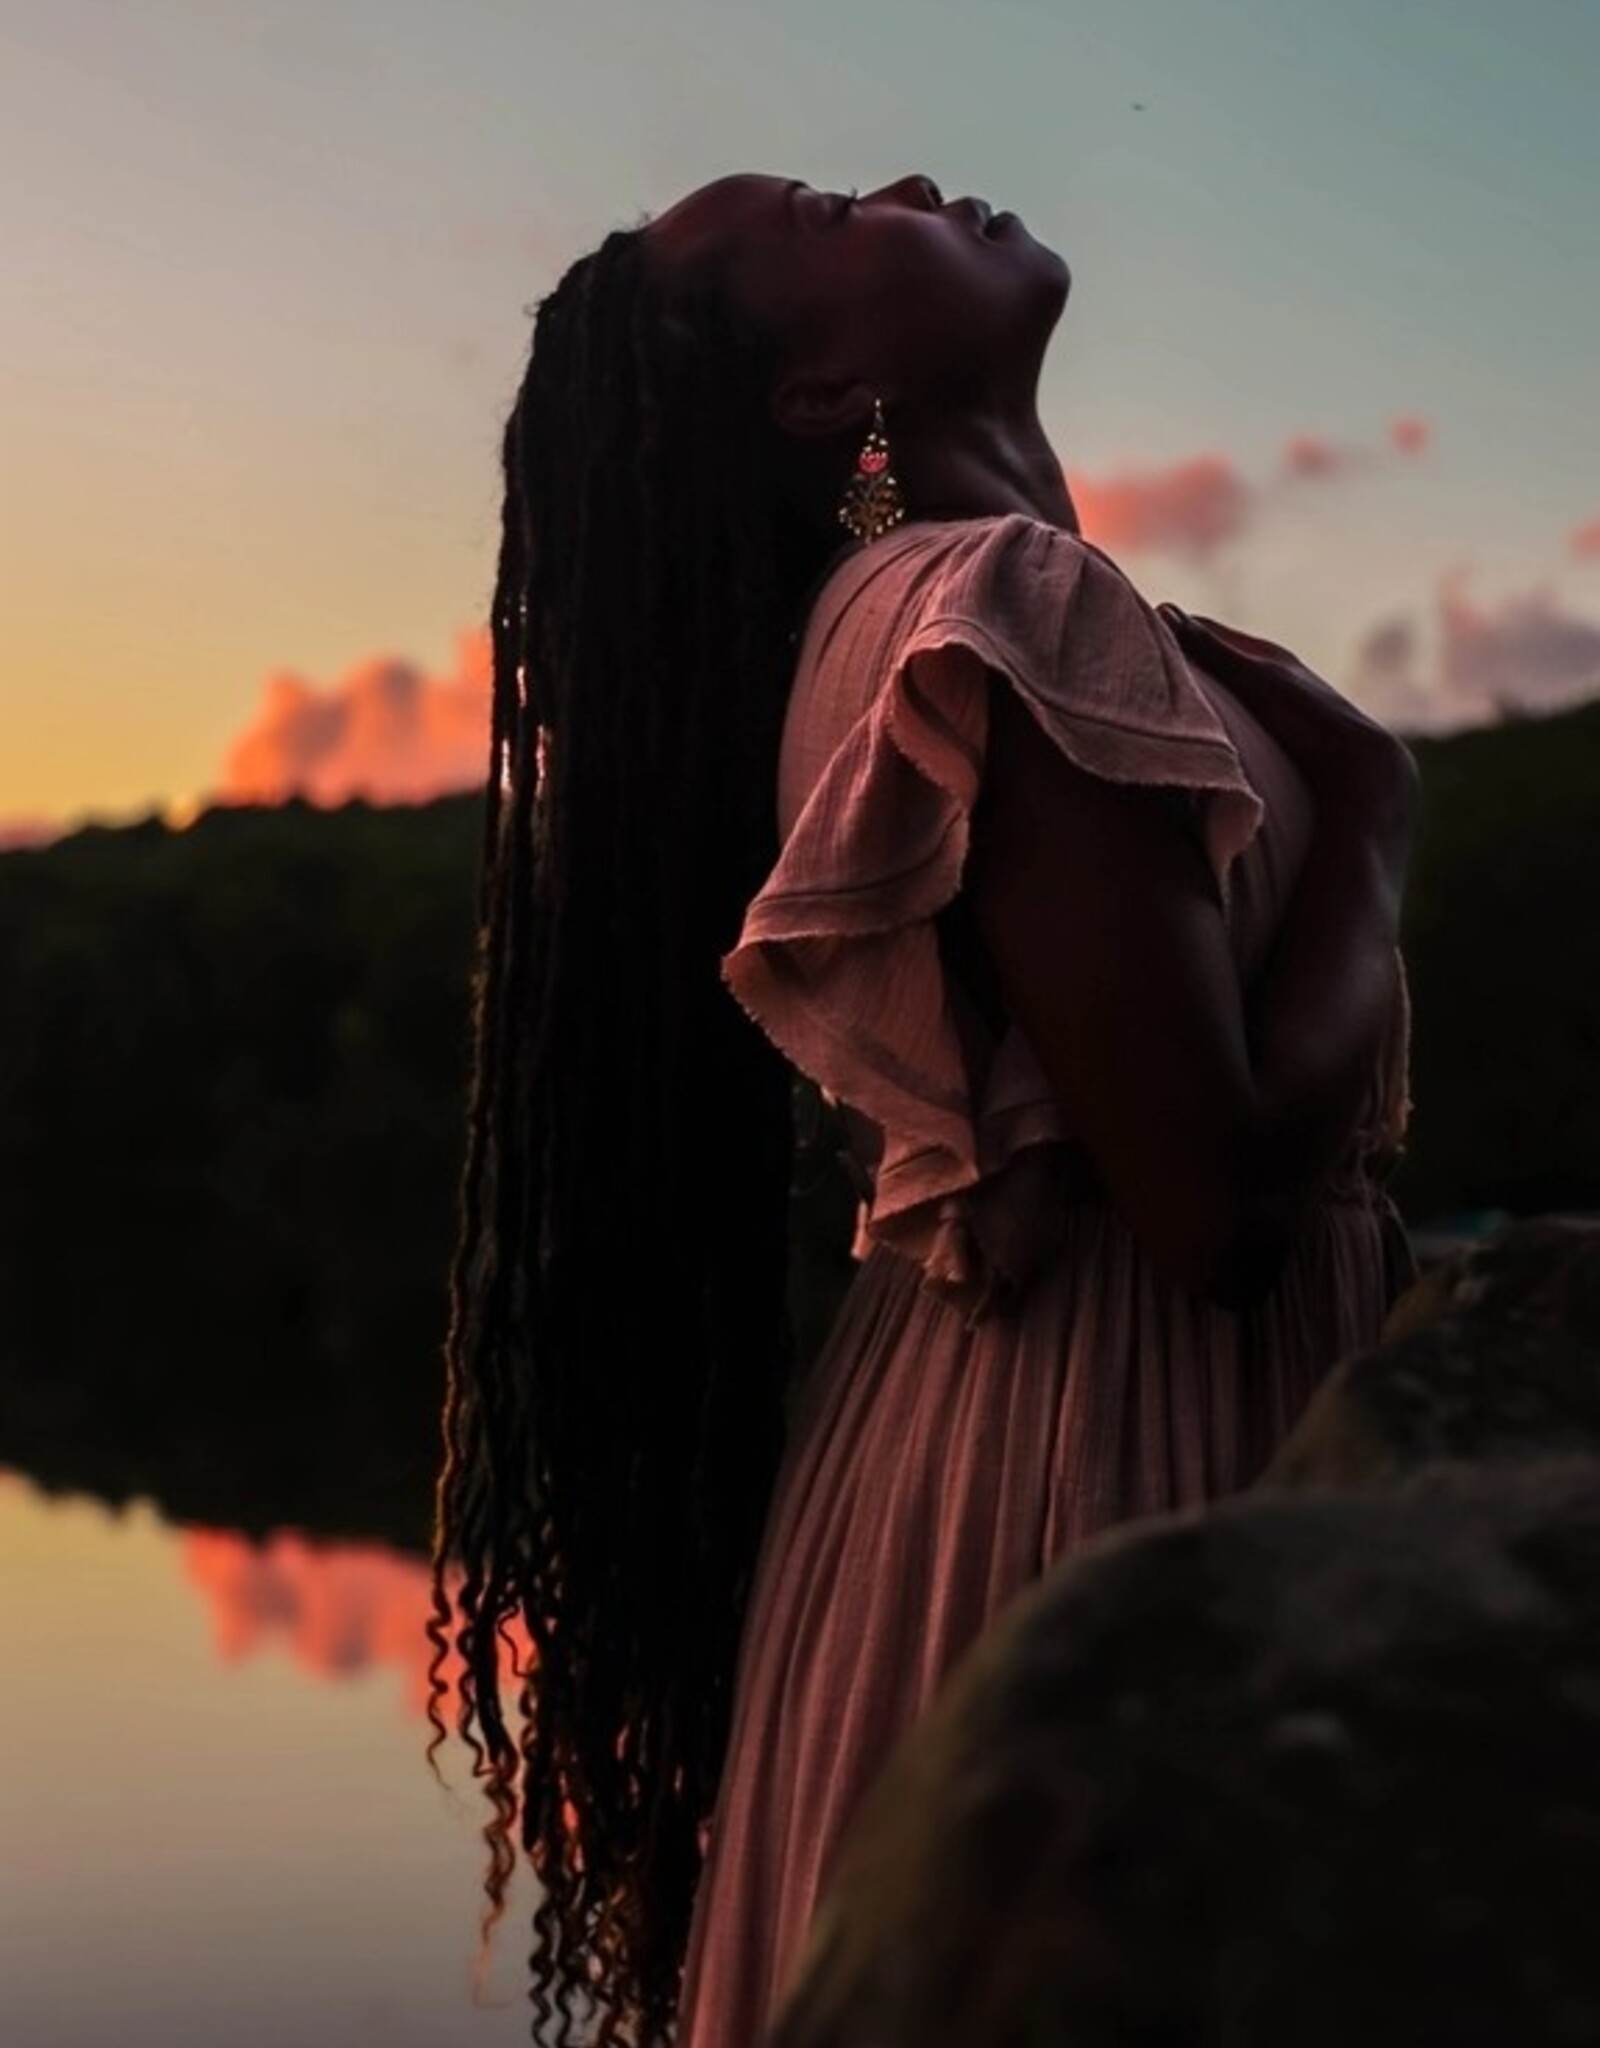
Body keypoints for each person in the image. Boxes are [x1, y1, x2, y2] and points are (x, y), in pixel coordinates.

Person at [424, 172, 1418, 2048]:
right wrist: (1369, 832)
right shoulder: (978, 608)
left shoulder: (971, 609)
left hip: (1018, 1447)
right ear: (819, 402)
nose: (896, 183)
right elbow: (1209, 1210)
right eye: (816, 217)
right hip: (1100, 1469)